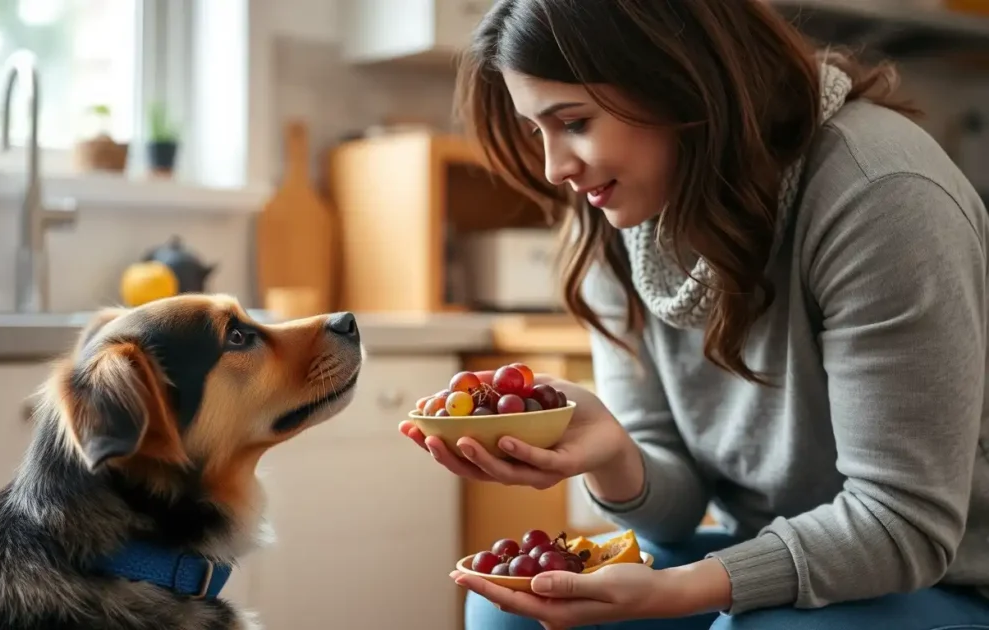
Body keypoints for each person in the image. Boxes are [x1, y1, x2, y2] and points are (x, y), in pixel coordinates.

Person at [397, 1, 989, 628]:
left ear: (675, 78)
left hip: (951, 578)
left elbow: (903, 524)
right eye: (536, 130)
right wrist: (612, 454)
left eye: (573, 121)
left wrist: (681, 591)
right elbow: (675, 516)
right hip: (771, 550)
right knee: (507, 617)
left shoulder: (880, 192)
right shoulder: (618, 218)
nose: (555, 167)